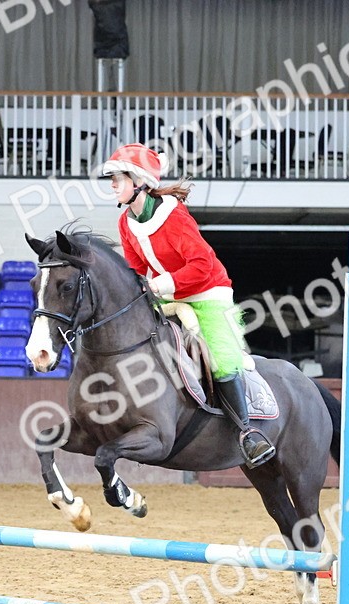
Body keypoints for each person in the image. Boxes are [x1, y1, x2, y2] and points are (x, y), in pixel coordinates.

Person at [100, 143, 276, 468]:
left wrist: (159, 284)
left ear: (139, 181)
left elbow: (201, 267)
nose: (112, 184)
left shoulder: (174, 217)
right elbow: (136, 269)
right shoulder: (127, 223)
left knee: (222, 360)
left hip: (208, 292)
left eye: (118, 178)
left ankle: (247, 433)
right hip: (168, 296)